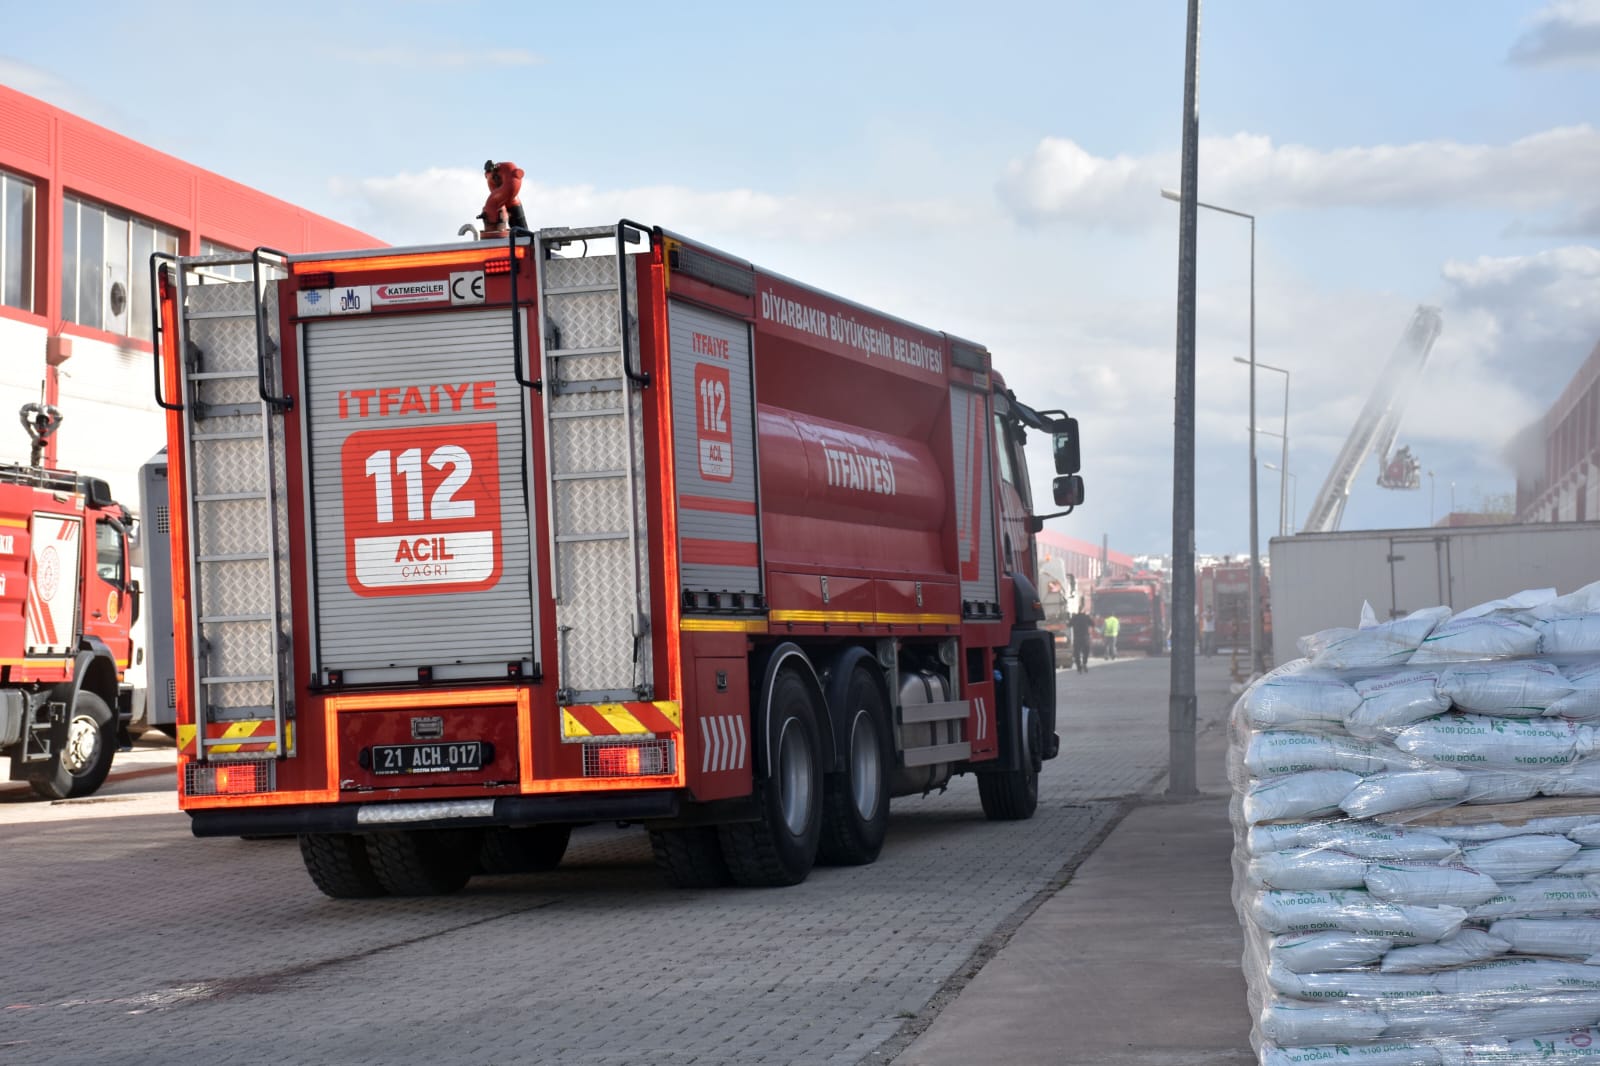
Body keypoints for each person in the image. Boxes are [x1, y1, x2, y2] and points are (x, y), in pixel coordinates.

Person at [479, 159, 528, 236]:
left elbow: (511, 186)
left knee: (522, 235)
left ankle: (523, 236)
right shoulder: (500, 171)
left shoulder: (507, 168)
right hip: (511, 203)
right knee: (523, 235)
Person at [1069, 607, 1093, 674]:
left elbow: (1069, 625)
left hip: (1077, 638)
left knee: (1077, 653)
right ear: (1083, 610)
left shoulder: (1074, 617)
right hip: (1085, 638)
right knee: (1086, 651)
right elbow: (1092, 624)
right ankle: (1084, 663)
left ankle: (1079, 667)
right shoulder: (1086, 617)